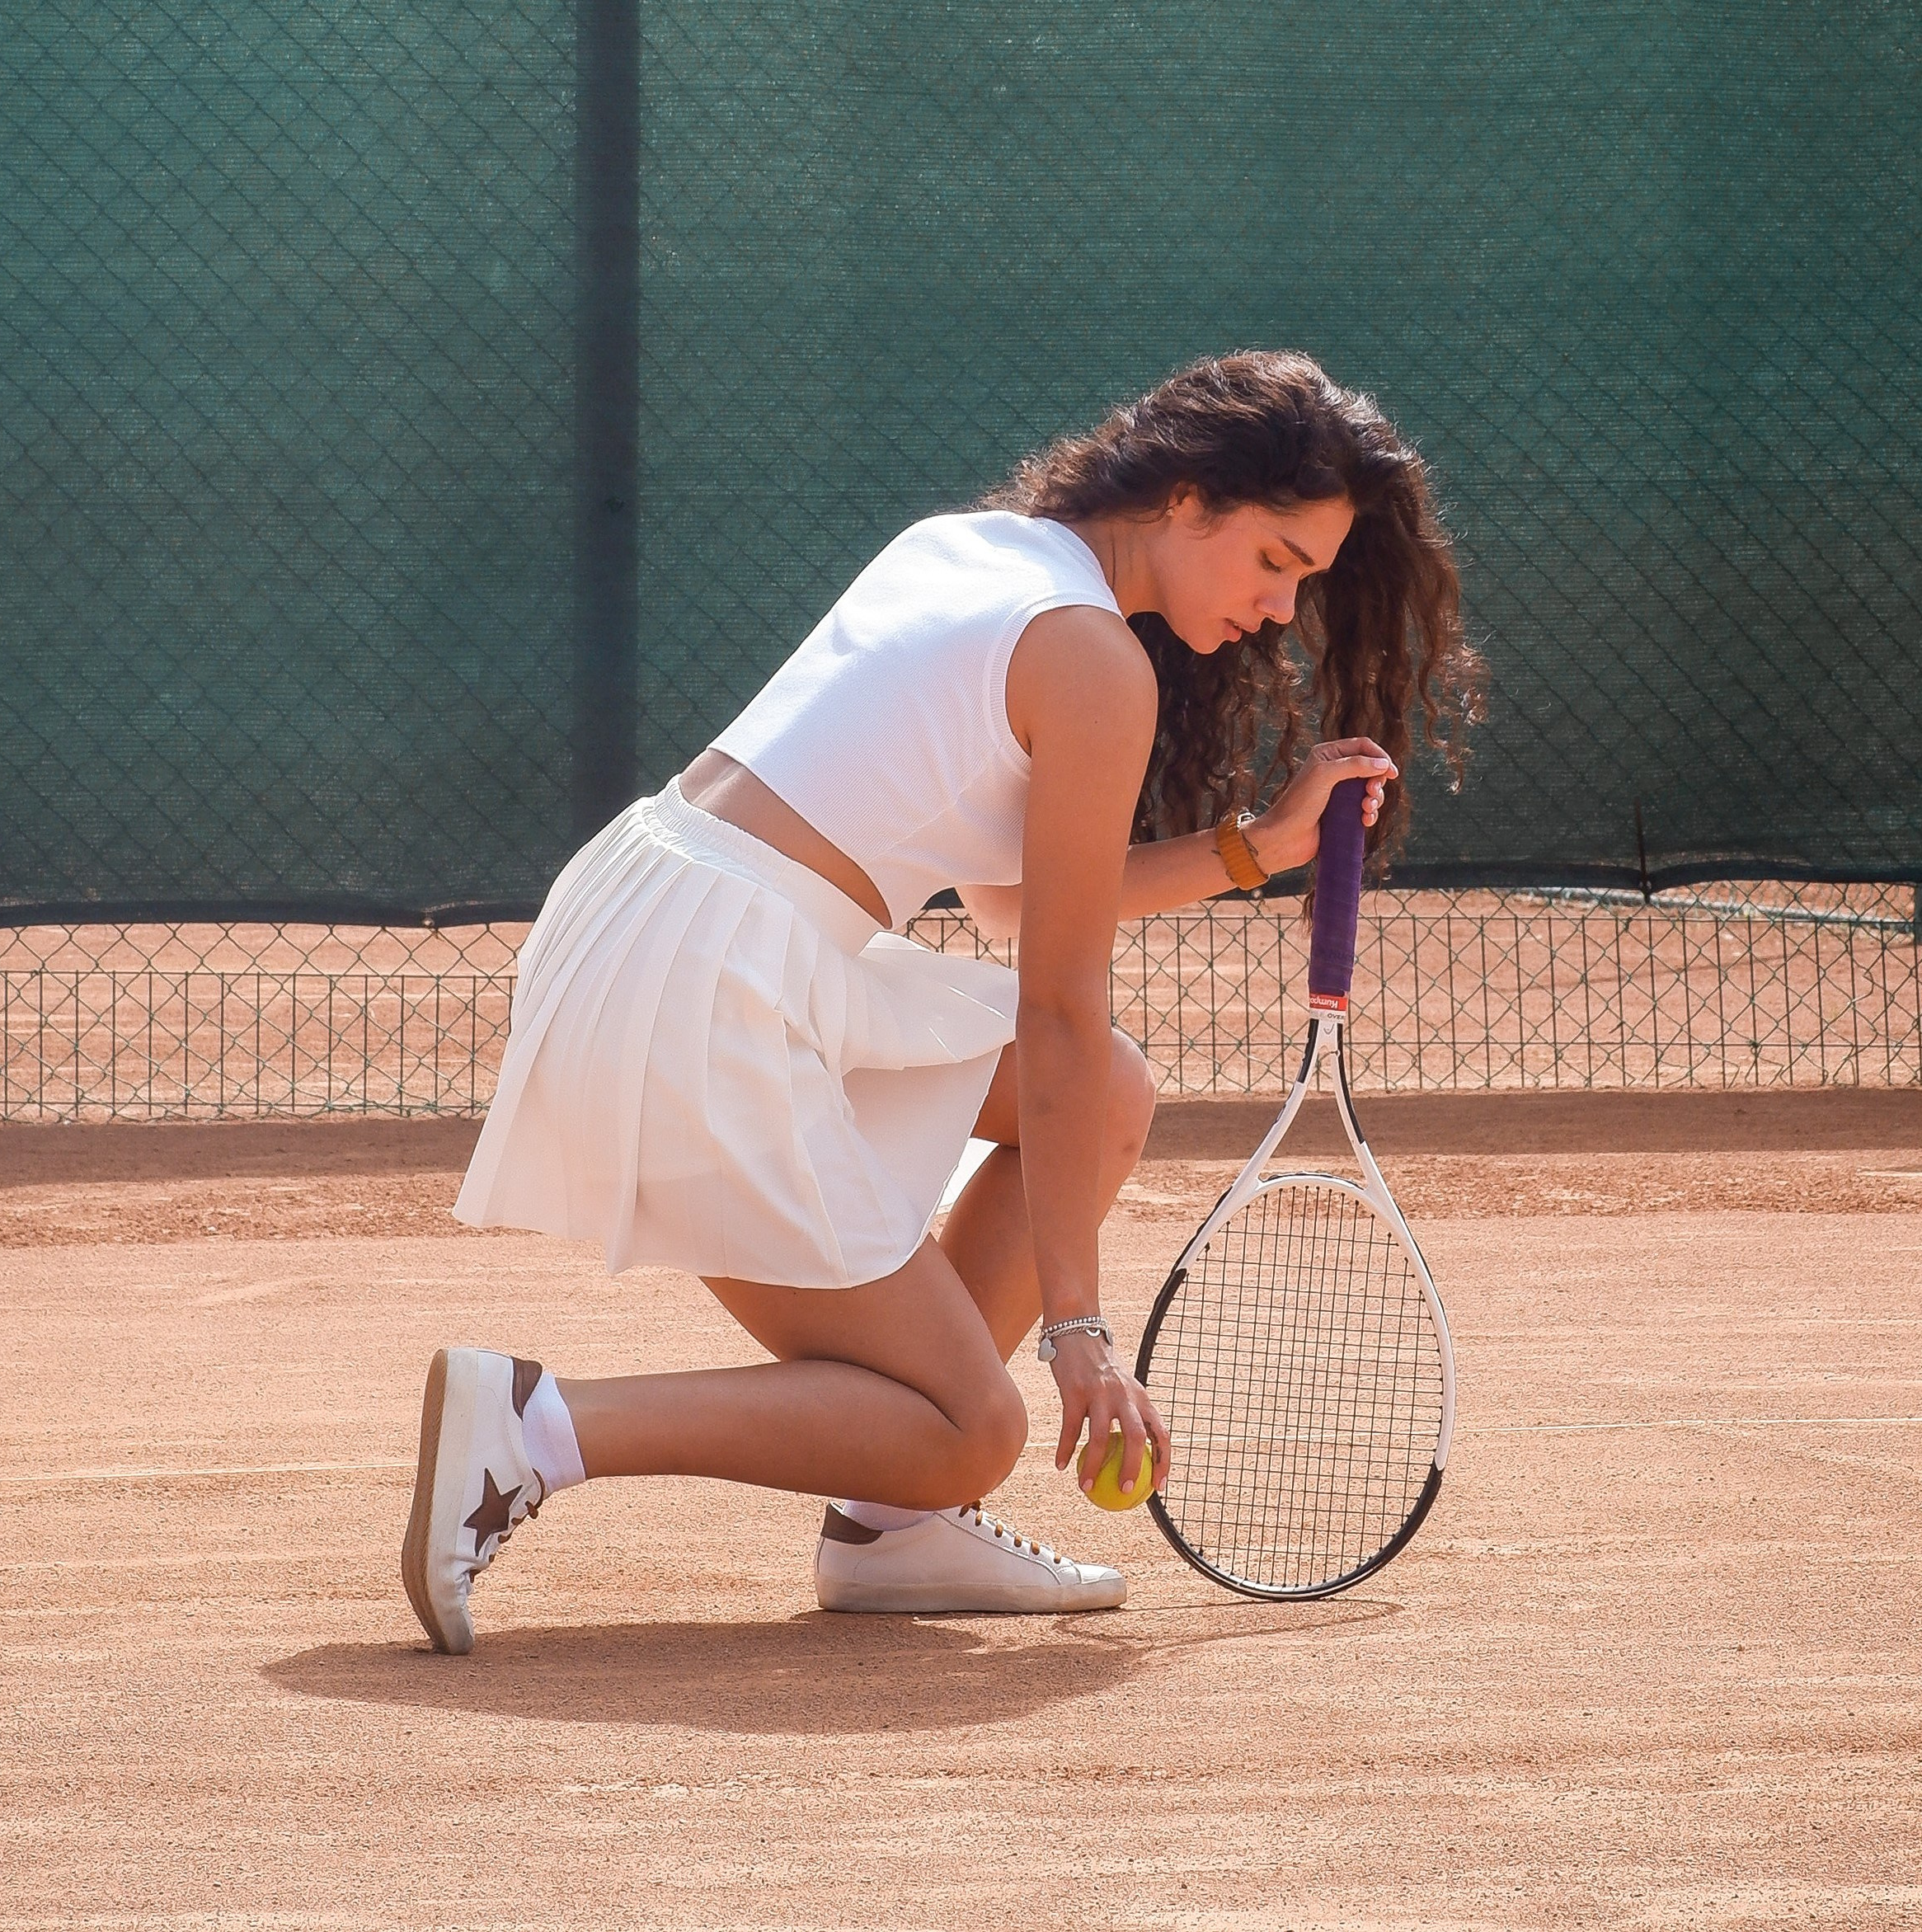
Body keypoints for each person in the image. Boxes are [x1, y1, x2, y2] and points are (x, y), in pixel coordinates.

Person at [401, 349, 1476, 1653]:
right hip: (712, 979)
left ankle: (894, 1529)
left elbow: (1015, 908)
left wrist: (1257, 846)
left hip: (654, 913)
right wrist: (1078, 1334)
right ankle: (537, 1427)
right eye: (1276, 560)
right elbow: (1056, 1007)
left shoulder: (972, 550)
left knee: (1114, 1093)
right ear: (1188, 499)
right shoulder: (1088, 659)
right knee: (977, 1425)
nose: (1278, 606)